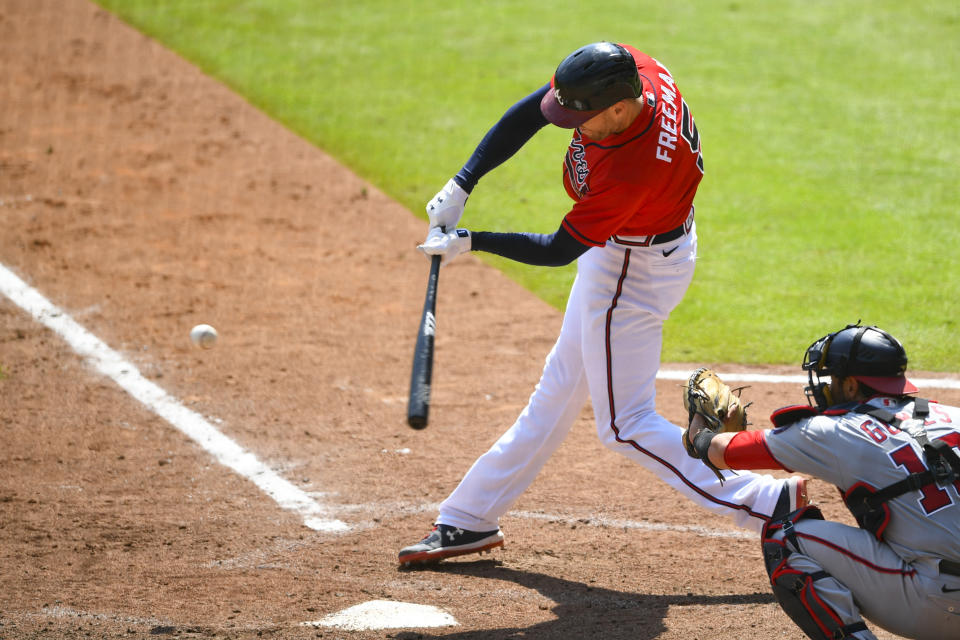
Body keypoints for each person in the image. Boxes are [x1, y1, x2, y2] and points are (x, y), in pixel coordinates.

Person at [400, 42, 806, 565]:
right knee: (560, 388)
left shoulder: (633, 171)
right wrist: (463, 181)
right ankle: (468, 518)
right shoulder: (629, 70)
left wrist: (471, 241)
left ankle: (768, 504)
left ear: (617, 108)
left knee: (624, 423)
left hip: (630, 270)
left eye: (582, 118)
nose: (571, 125)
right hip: (637, 245)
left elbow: (561, 249)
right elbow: (534, 110)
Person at [683, 323, 960, 640]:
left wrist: (700, 428)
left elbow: (720, 451)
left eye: (832, 379)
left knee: (787, 537)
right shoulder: (951, 415)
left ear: (852, 386)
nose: (824, 387)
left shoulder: (835, 431)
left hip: (937, 607)